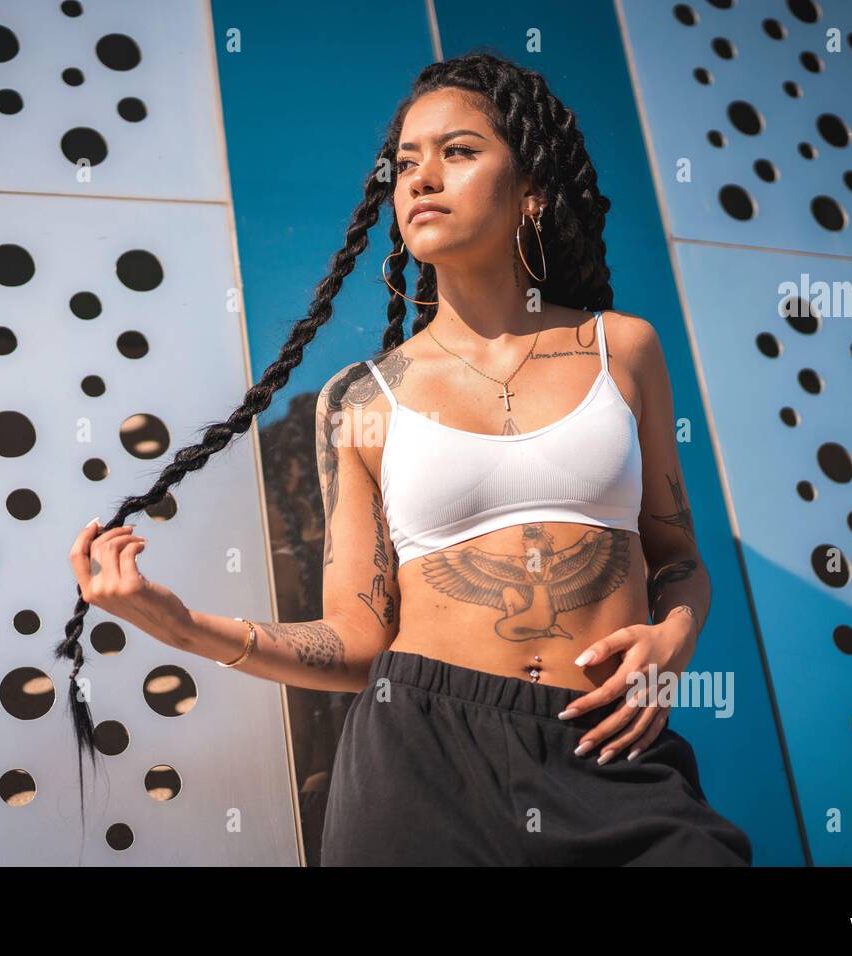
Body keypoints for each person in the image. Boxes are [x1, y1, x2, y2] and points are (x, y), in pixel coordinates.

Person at [61, 51, 752, 866]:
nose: (422, 178)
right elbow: (356, 640)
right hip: (417, 758)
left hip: (609, 749)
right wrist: (184, 628)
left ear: (532, 189)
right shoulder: (360, 402)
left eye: (458, 152)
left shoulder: (622, 350)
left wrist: (671, 642)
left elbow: (678, 558)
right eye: (406, 164)